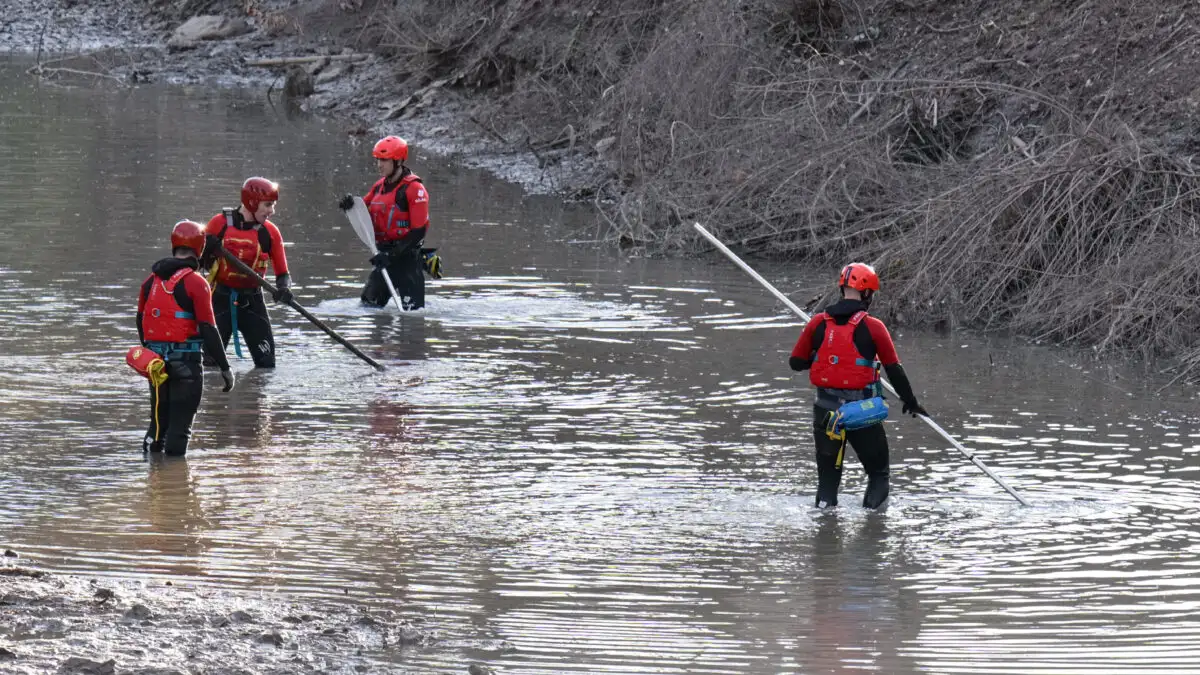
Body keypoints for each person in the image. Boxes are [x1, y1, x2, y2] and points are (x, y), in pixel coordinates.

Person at [788, 263, 928, 509]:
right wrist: (911, 402)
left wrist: (820, 356)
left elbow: (796, 363)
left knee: (827, 485)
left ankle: (824, 534)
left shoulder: (817, 323)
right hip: (861, 411)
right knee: (878, 475)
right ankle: (874, 535)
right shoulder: (874, 327)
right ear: (867, 294)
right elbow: (894, 369)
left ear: (842, 289)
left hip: (825, 410)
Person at [136, 220, 235, 456]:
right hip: (187, 365)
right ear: (200, 248)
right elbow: (209, 328)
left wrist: (152, 352)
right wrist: (225, 368)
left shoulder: (149, 281)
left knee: (157, 426)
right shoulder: (196, 282)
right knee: (180, 431)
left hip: (156, 366)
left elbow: (140, 322)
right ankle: (173, 485)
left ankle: (152, 475)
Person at [199, 176, 293, 368]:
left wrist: (284, 288)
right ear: (252, 202)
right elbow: (197, 265)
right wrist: (207, 249)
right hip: (219, 300)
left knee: (267, 366)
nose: (271, 211)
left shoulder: (270, 232)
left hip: (253, 303)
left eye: (273, 205)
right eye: (267, 205)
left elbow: (283, 273)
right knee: (209, 368)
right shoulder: (218, 224)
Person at [339, 135, 430, 310]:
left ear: (398, 161)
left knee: (412, 316)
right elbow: (362, 211)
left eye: (385, 160)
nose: (379, 165)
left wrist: (392, 255)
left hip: (407, 260)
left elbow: (419, 232)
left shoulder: (414, 189)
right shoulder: (379, 186)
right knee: (368, 306)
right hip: (384, 259)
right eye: (378, 160)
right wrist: (349, 205)